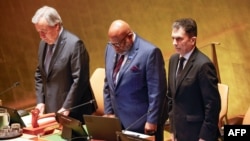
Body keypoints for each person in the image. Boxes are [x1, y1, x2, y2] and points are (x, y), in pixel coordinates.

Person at [103, 19, 168, 140]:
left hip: (142, 123)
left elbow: (157, 92)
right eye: (112, 43)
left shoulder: (149, 53)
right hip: (118, 120)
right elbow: (108, 83)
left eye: (118, 44)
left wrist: (152, 120)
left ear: (129, 36)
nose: (115, 48)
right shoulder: (110, 48)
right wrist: (109, 112)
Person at [31, 6, 96, 123]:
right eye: (38, 32)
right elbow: (40, 74)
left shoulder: (75, 44)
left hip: (74, 111)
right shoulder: (43, 44)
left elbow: (80, 80)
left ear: (56, 26)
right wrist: (41, 101)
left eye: (44, 31)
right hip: (52, 109)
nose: (41, 36)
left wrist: (67, 107)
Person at [167, 18, 221, 141]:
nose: (174, 43)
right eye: (173, 38)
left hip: (197, 133)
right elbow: (171, 97)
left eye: (179, 39)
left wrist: (204, 137)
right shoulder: (173, 60)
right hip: (179, 132)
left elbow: (212, 105)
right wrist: (173, 129)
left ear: (193, 40)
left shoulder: (203, 65)